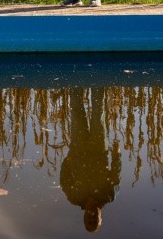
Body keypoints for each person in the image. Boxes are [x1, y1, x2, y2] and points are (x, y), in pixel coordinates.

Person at [60, 88, 121, 233]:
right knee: (98, 111)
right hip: (99, 148)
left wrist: (68, 159)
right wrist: (116, 154)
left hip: (78, 148)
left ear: (84, 218)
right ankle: (97, 77)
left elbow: (64, 180)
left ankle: (75, 78)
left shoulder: (74, 198)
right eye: (95, 220)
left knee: (76, 111)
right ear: (101, 218)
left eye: (89, 221)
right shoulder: (109, 195)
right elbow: (116, 174)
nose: (92, 217)